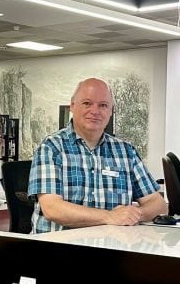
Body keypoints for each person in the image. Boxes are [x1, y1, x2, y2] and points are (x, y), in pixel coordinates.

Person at [27, 78, 167, 233]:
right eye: (87, 103)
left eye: (103, 105)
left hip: (112, 246)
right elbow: (52, 208)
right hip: (59, 249)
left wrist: (132, 215)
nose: (95, 111)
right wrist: (110, 216)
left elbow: (158, 204)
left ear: (110, 110)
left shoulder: (126, 152)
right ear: (72, 106)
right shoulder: (51, 148)